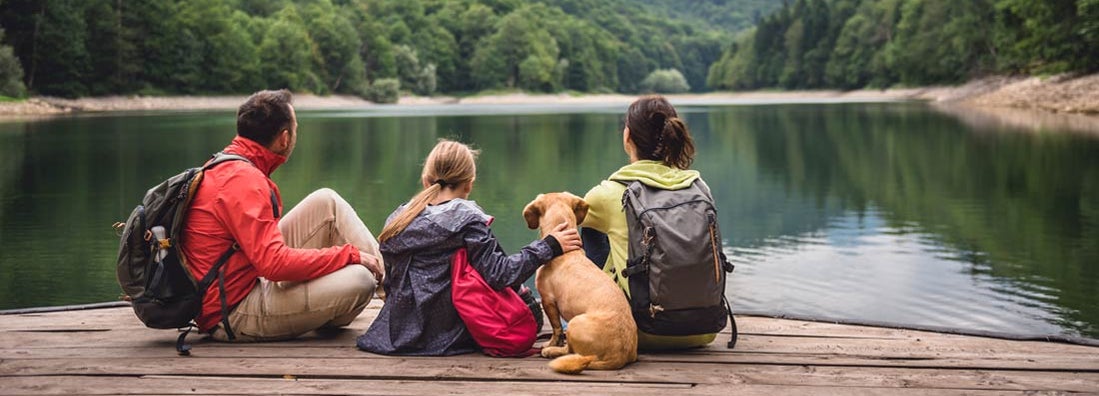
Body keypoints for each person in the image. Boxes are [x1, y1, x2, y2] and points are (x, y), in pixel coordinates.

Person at [182, 89, 385, 342]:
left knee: (327, 201)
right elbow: (274, 265)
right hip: (233, 312)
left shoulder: (226, 164)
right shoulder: (245, 181)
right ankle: (395, 294)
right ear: (284, 138)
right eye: (296, 128)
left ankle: (395, 290)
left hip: (244, 277)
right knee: (360, 279)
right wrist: (349, 255)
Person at [356, 139, 582, 356]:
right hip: (450, 334)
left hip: (397, 332)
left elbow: (391, 282)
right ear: (469, 184)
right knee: (526, 305)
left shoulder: (398, 219)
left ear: (426, 181)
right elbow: (500, 275)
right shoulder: (467, 220)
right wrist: (549, 246)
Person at [580, 95, 718, 350]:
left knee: (588, 227)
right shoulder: (700, 187)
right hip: (705, 329)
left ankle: (589, 313)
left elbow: (564, 227)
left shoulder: (608, 193)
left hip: (637, 330)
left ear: (627, 137)